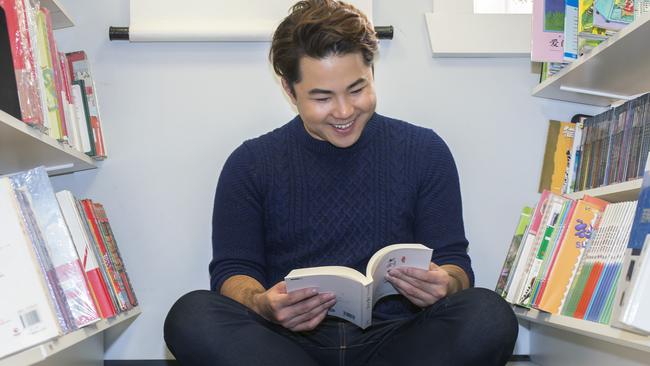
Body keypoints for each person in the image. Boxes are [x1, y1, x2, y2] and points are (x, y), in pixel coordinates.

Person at [164, 0, 518, 365]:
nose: (344, 111)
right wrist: (263, 305)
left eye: (356, 89)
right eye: (322, 97)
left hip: (399, 343)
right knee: (190, 315)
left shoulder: (425, 151)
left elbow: (455, 264)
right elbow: (232, 272)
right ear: (289, 90)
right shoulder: (250, 164)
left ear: (372, 73)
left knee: (488, 313)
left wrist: (446, 282)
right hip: (286, 348)